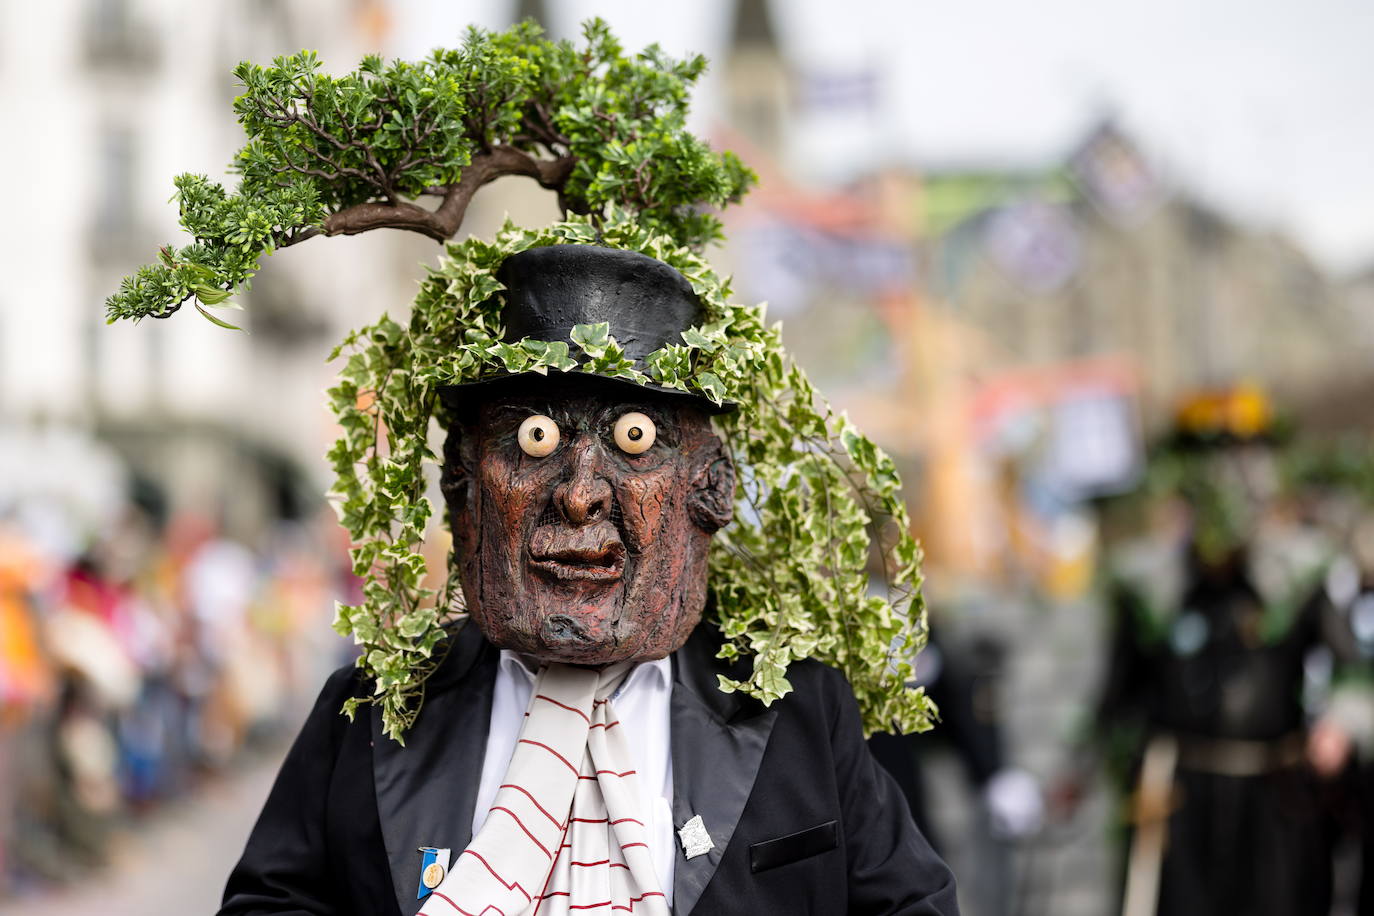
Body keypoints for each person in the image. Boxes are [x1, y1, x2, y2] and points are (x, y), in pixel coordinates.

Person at [219, 245, 958, 915]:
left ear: (711, 490)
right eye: (532, 439)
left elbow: (911, 905)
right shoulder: (371, 709)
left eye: (633, 440)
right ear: (461, 489)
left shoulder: (799, 708)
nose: (579, 494)